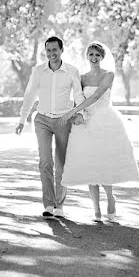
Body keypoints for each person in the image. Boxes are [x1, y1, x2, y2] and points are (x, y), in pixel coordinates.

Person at [60, 42, 139, 222]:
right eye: (91, 55)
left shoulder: (108, 75)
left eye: (97, 55)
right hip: (86, 123)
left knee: (104, 163)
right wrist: (77, 114)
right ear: (87, 56)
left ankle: (110, 199)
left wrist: (73, 111)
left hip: (105, 120)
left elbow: (96, 97)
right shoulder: (81, 77)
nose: (94, 58)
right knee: (90, 164)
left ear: (102, 57)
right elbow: (78, 98)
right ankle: (96, 209)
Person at [15, 36, 87, 218]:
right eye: (48, 50)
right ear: (45, 52)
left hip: (64, 120)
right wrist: (22, 119)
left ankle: (59, 206)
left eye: (55, 50)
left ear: (61, 50)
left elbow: (78, 95)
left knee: (61, 164)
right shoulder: (38, 71)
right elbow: (29, 95)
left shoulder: (72, 71)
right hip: (43, 120)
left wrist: (81, 113)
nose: (51, 54)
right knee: (45, 161)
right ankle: (48, 204)